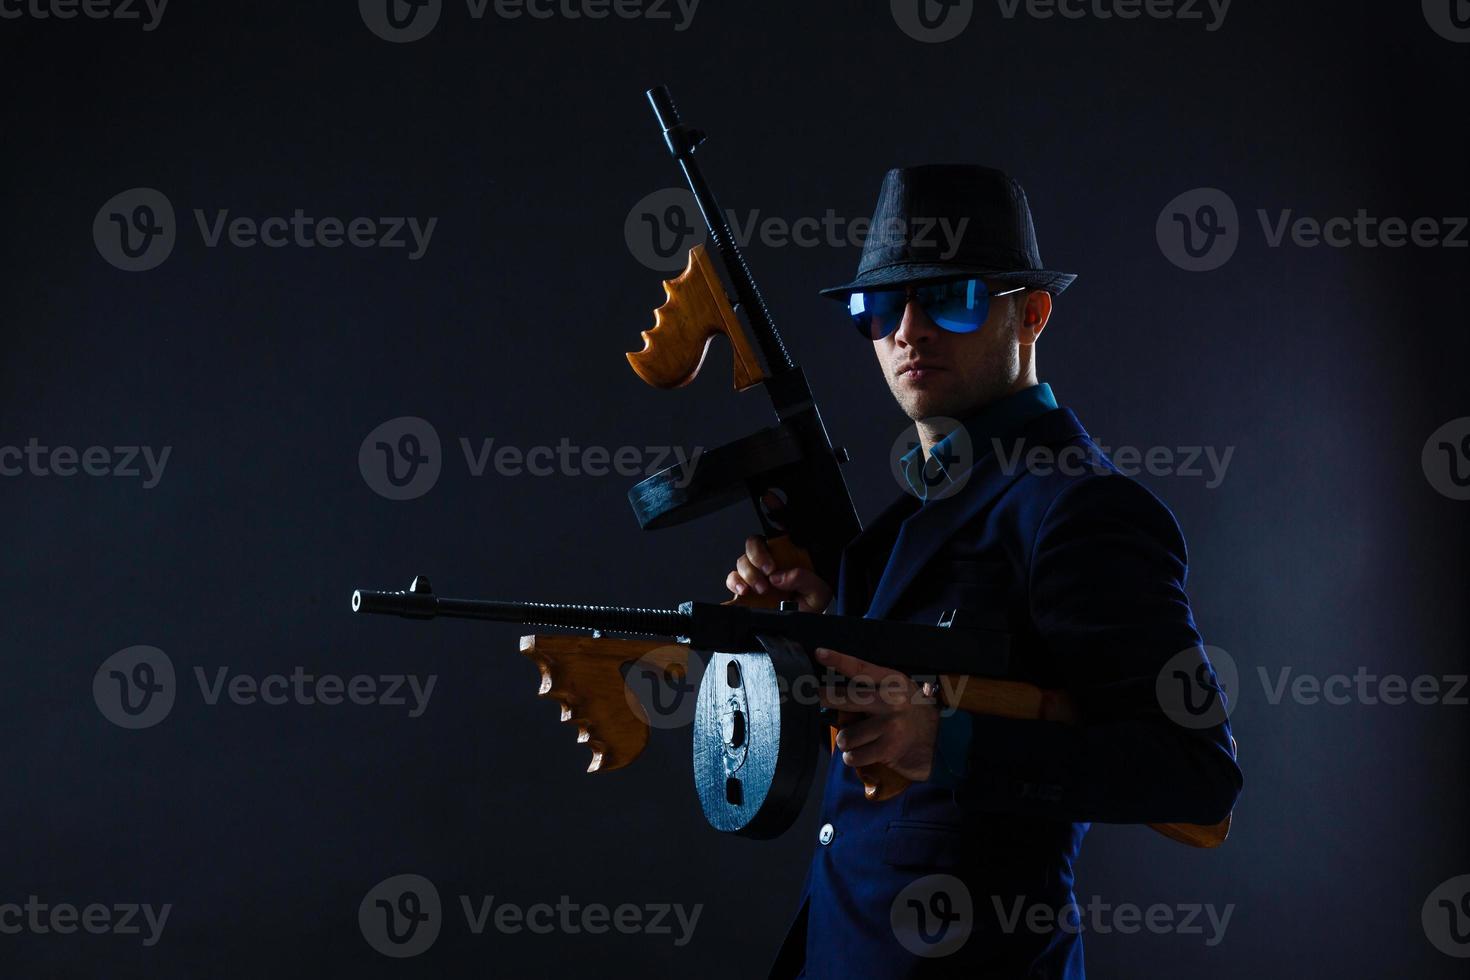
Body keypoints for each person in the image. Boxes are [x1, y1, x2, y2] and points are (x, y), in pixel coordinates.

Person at [727, 166, 1243, 978]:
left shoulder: (1083, 508)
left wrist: (951, 741)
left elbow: (1196, 775)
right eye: (879, 308)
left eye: (952, 297)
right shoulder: (924, 511)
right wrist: (823, 621)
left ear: (1031, 314)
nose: (909, 330)